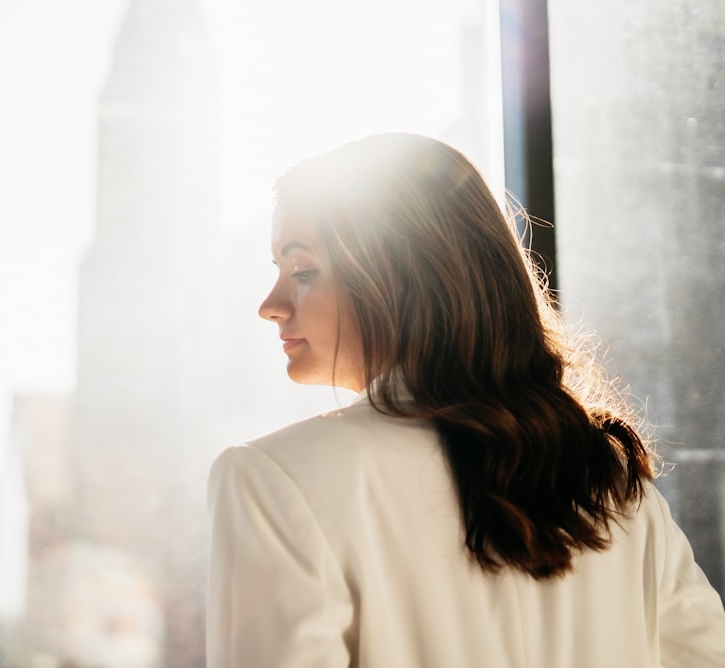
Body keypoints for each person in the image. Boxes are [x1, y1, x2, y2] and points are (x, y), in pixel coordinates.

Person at [206, 133, 725, 667]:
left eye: (303, 271)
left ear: (402, 278)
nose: (271, 306)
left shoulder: (270, 481)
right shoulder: (610, 485)